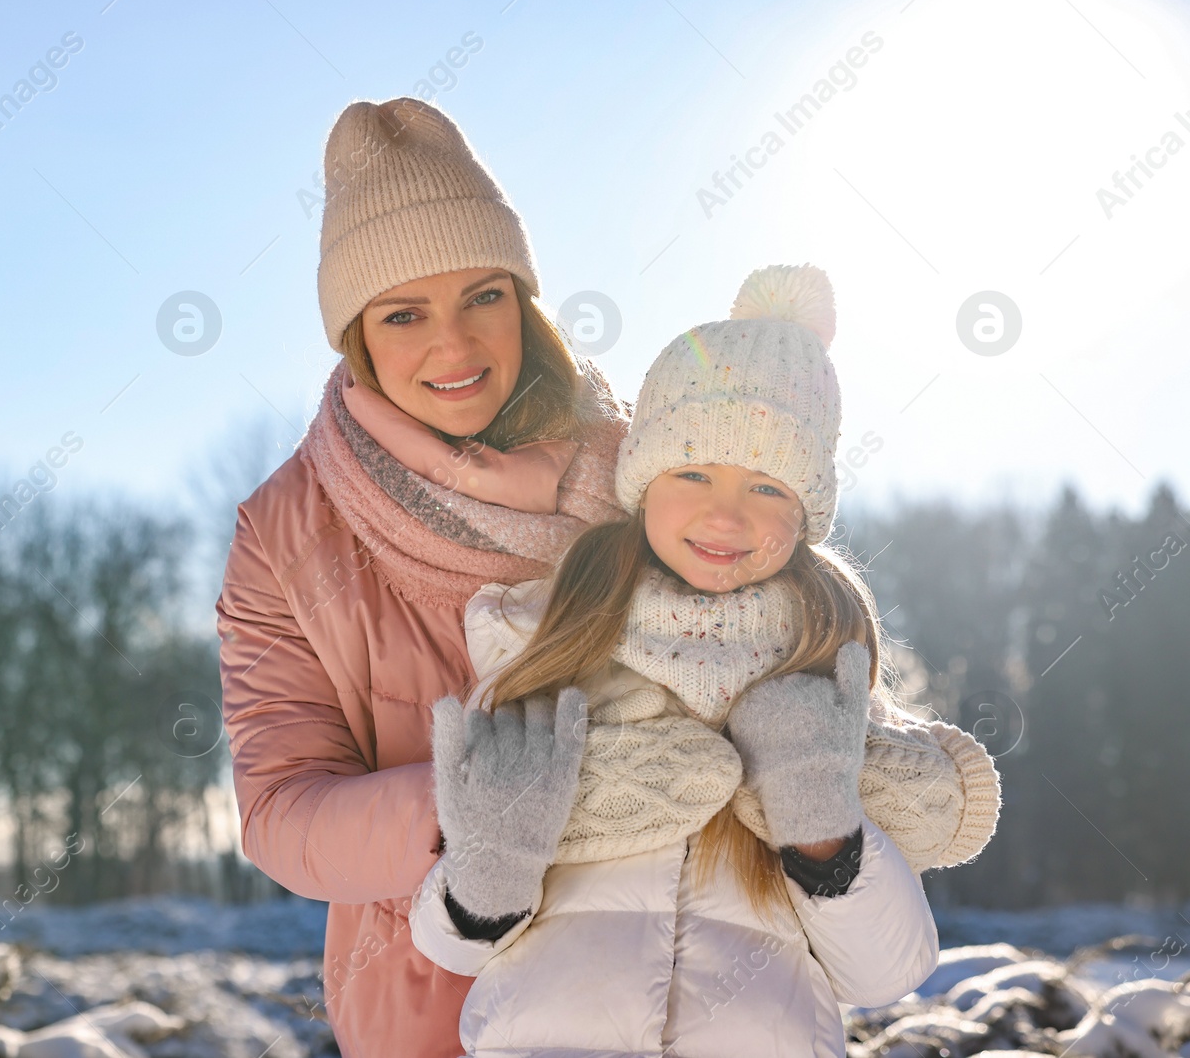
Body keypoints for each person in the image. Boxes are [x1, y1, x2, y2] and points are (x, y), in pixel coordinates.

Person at [215, 97, 994, 1057]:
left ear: (524, 299)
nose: (453, 346)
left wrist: (872, 781)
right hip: (427, 983)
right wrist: (504, 799)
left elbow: (787, 658)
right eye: (404, 312)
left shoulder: (648, 471)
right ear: (356, 335)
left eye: (483, 296)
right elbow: (283, 810)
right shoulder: (287, 534)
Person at [407, 264, 1002, 1056]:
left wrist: (824, 832)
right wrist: (489, 870)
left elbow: (887, 970)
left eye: (767, 485)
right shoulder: (548, 654)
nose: (725, 511)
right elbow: (451, 946)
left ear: (806, 511)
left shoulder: (825, 676)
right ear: (641, 482)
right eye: (692, 472)